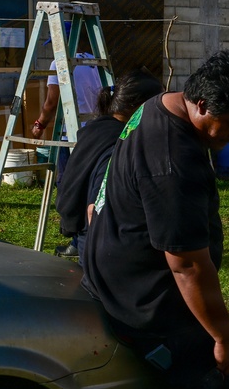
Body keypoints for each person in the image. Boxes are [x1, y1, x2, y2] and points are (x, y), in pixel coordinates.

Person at [81, 50, 229, 389]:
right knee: (205, 378)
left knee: (219, 379)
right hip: (143, 298)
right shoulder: (174, 160)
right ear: (201, 104)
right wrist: (224, 337)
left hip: (118, 265)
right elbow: (187, 265)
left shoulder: (160, 104)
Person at [55, 69, 163, 262]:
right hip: (99, 239)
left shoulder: (96, 128)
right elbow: (94, 208)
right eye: (157, 107)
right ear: (139, 107)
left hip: (81, 228)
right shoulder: (120, 143)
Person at [30, 22, 103, 257]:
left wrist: (39, 125)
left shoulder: (59, 64)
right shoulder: (92, 61)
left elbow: (51, 102)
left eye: (55, 42)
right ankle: (91, 237)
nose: (53, 48)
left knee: (69, 187)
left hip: (71, 134)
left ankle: (77, 241)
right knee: (91, 185)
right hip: (95, 132)